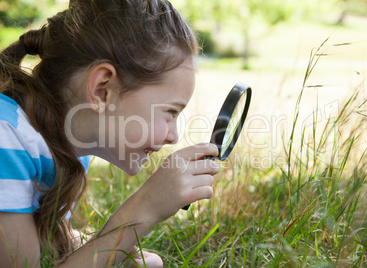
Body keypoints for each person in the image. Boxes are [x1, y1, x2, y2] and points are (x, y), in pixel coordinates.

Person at [0, 0, 220, 267]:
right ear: (103, 90)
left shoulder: (69, 149)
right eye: (171, 112)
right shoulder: (6, 137)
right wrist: (141, 210)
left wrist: (114, 249)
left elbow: (45, 243)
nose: (174, 135)